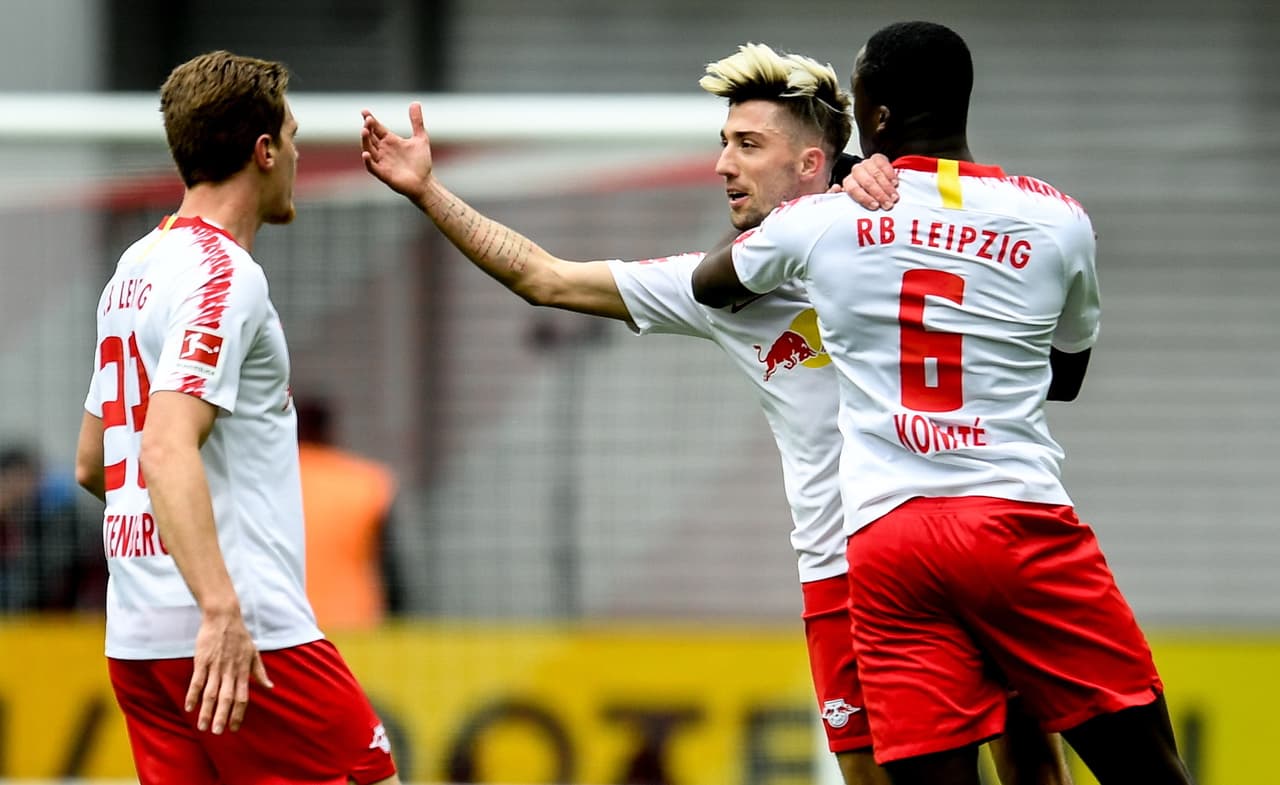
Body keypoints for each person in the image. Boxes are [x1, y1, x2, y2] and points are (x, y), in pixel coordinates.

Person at [361, 43, 1068, 785]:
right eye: (723, 144)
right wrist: (426, 192)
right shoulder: (721, 288)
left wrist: (868, 167)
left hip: (965, 536)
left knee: (1034, 771)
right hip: (842, 573)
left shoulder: (901, 230)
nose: (723, 164)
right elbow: (546, 278)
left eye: (748, 145)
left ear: (811, 163)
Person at [689, 22, 1193, 785]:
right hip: (1016, 525)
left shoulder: (829, 218)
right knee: (1148, 769)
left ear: (880, 117)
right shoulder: (1057, 218)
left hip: (890, 541)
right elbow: (1067, 372)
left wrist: (842, 185)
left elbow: (713, 285)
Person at [73, 50, 400, 785]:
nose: (295, 157)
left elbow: (95, 464)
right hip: (246, 633)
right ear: (263, 151)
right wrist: (219, 607)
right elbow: (163, 446)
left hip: (137, 641)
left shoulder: (135, 265)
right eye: (291, 136)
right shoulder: (225, 275)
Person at [296, 395, 402, 631]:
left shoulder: (264, 482)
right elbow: (390, 566)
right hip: (356, 619)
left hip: (287, 621)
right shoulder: (366, 482)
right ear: (330, 430)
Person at [0, 445, 104, 611]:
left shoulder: (59, 518)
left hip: (56, 612)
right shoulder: (11, 522)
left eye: (23, 478)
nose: (18, 488)